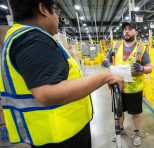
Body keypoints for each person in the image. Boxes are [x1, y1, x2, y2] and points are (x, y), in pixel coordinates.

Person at [0, 0, 123, 148]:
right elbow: (48, 93)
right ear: (42, 9)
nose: (58, 17)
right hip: (58, 135)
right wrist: (105, 76)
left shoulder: (23, 37)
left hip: (54, 130)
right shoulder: (32, 40)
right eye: (56, 11)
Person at [102, 21, 152, 146]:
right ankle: (120, 130)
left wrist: (142, 69)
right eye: (125, 29)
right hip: (118, 86)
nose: (127, 31)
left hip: (134, 88)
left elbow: (149, 68)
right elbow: (107, 58)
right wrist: (105, 61)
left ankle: (136, 133)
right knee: (119, 111)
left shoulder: (142, 48)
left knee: (135, 113)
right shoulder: (116, 46)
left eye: (130, 29)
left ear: (136, 32)